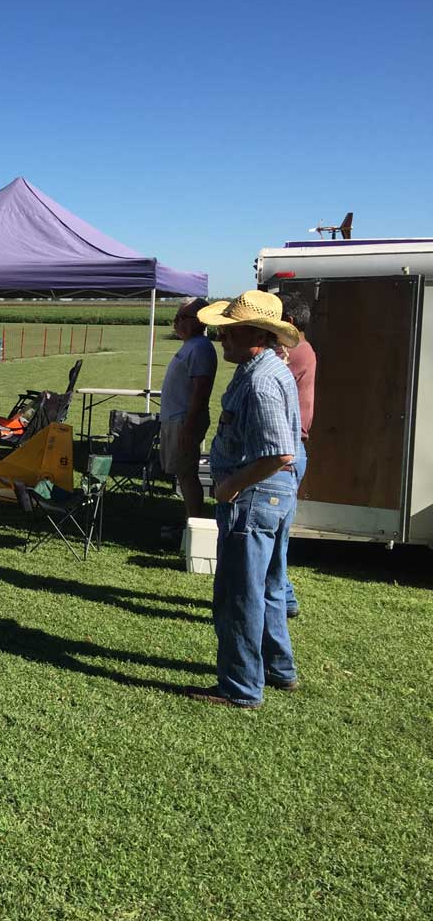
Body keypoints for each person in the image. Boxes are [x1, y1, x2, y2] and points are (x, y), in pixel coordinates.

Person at [189, 291, 303, 708]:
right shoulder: (268, 368)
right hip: (272, 497)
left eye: (228, 330)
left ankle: (240, 687)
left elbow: (278, 452)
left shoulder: (259, 380)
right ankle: (278, 669)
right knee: (269, 586)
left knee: (240, 593)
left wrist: (231, 486)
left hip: (254, 498)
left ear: (254, 333)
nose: (220, 337)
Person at [158, 299, 217, 538]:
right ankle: (189, 523)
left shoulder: (201, 348)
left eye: (183, 317)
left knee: (187, 475)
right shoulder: (191, 345)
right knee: (183, 475)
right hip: (177, 419)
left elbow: (200, 392)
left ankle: (194, 527)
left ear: (199, 320)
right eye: (177, 316)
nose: (177, 322)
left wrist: (189, 427)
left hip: (184, 421)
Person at [278, 294, 317, 619]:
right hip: (293, 448)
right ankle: (285, 598)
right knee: (277, 537)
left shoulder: (296, 355)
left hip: (288, 451)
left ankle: (282, 600)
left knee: (276, 541)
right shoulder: (300, 352)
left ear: (288, 323)